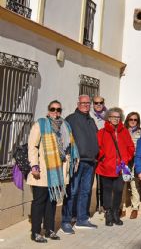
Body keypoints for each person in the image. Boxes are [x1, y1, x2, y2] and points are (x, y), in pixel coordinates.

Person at [27, 101, 79, 243]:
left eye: (58, 109)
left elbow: (69, 147)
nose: (56, 112)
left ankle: (49, 229)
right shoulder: (41, 124)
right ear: (48, 110)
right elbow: (32, 146)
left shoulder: (65, 126)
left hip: (58, 172)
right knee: (39, 202)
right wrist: (34, 166)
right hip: (43, 170)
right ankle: (36, 232)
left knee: (52, 201)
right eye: (53, 109)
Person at [62, 95, 99, 234]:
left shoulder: (91, 120)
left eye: (88, 103)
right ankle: (66, 220)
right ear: (78, 104)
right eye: (83, 103)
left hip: (90, 162)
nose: (85, 105)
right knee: (72, 191)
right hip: (77, 162)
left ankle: (82, 219)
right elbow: (64, 139)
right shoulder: (70, 119)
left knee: (86, 191)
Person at [96, 107, 134, 227]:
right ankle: (108, 213)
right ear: (108, 118)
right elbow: (98, 148)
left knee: (118, 190)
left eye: (118, 117)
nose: (115, 119)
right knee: (107, 191)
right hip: (106, 167)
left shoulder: (124, 131)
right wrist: (103, 158)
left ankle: (115, 213)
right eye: (113, 117)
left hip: (120, 168)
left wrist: (125, 159)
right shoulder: (102, 132)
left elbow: (130, 147)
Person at [123, 111, 141, 219]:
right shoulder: (122, 131)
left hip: (135, 160)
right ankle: (122, 208)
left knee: (134, 184)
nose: (133, 122)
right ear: (127, 120)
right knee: (123, 184)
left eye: (135, 120)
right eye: (131, 119)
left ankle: (135, 208)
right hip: (124, 161)